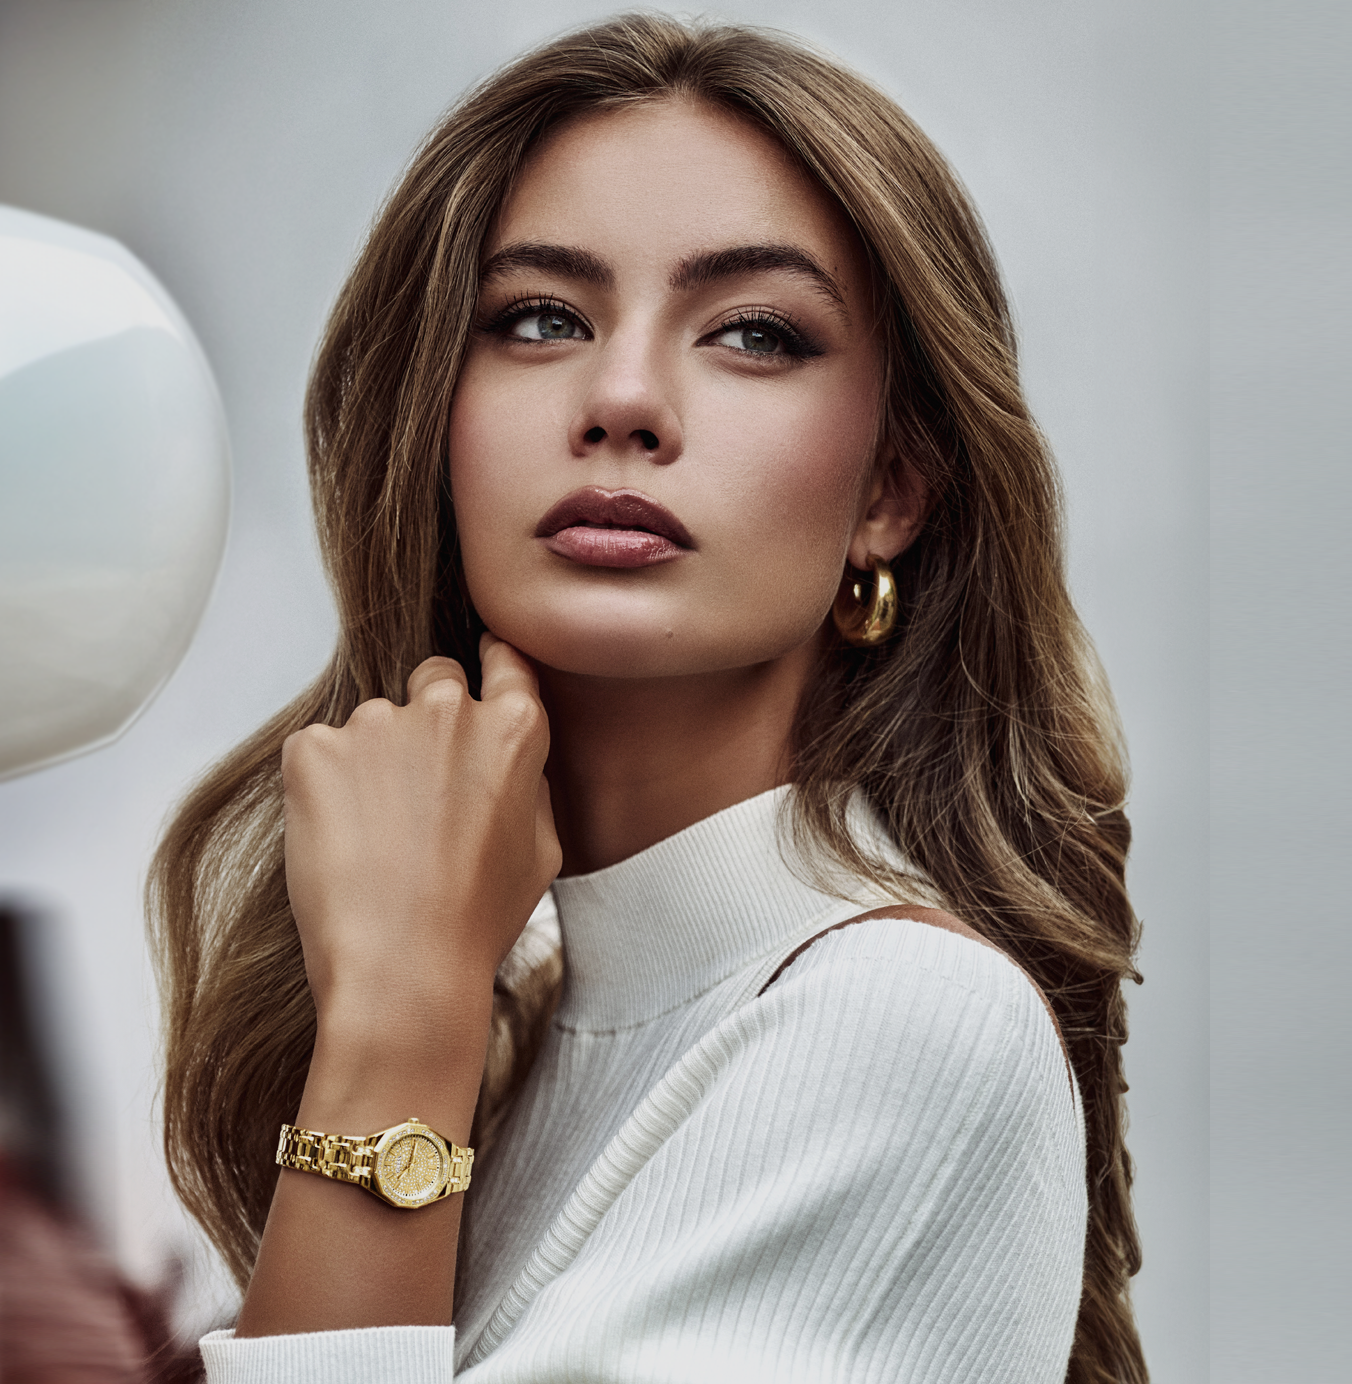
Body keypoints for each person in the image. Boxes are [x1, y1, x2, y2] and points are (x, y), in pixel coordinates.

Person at [148, 15, 1146, 1382]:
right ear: (438, 425)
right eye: (541, 319)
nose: (622, 399)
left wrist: (398, 1023)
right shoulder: (533, 1007)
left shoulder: (902, 1023)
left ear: (892, 490)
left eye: (752, 334)